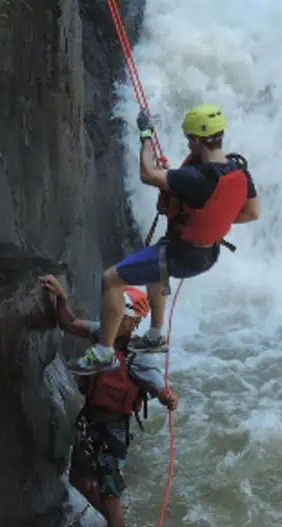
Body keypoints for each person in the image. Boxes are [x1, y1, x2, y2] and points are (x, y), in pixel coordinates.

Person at [68, 103, 261, 375]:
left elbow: (147, 174)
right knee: (155, 269)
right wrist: (212, 219)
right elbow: (252, 212)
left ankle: (104, 352)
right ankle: (156, 335)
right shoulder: (238, 172)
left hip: (181, 253)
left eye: (188, 139)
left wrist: (146, 135)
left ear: (195, 140)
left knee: (111, 280)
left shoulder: (196, 178)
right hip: (208, 254)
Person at [39, 274, 178, 527]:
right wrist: (62, 298)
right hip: (89, 420)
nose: (110, 317)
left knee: (111, 496)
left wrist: (166, 396)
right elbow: (68, 323)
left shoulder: (139, 356)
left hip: (113, 430)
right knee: (79, 479)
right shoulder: (103, 333)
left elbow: (158, 385)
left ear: (131, 322)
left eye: (118, 314)